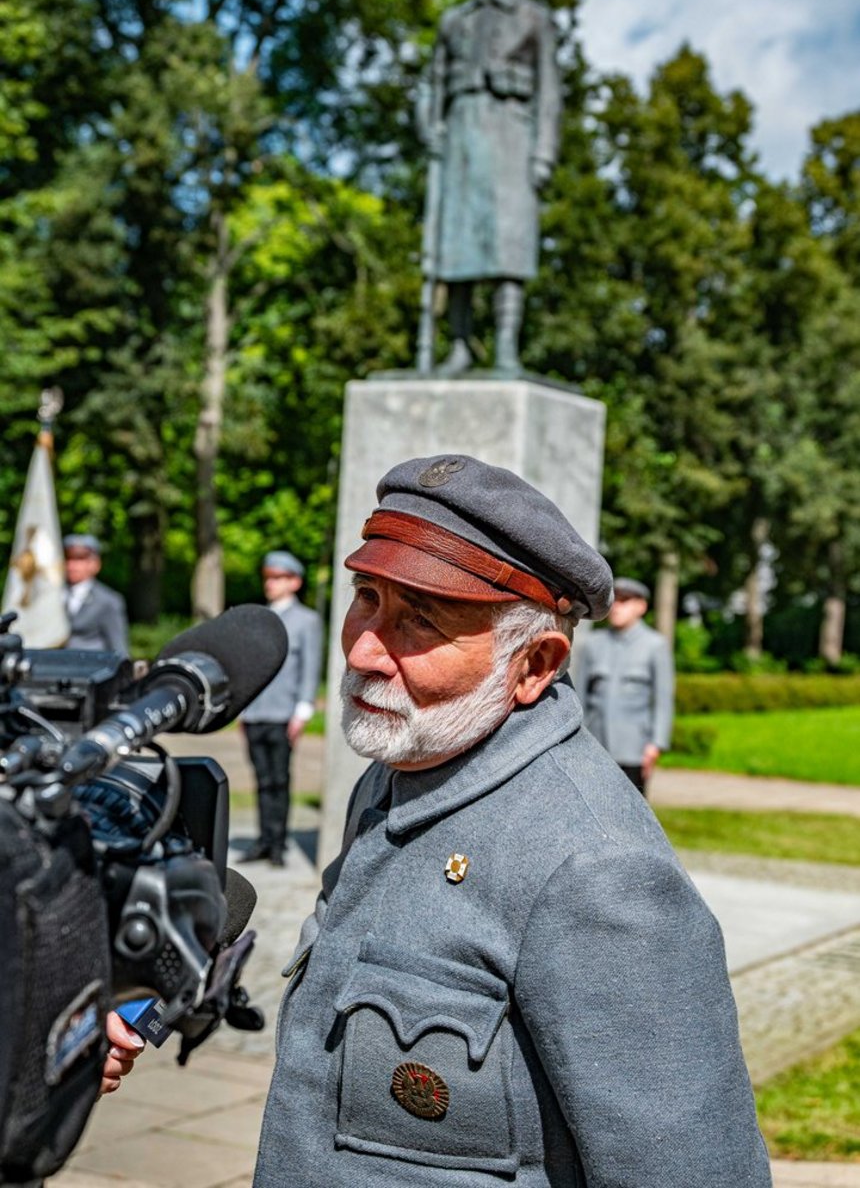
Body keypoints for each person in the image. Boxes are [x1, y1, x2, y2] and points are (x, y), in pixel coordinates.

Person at [250, 454, 770, 1186]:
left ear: (533, 666)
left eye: (420, 620)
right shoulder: (401, 768)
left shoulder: (597, 867)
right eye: (367, 596)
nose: (366, 647)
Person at [421, 0, 561, 375]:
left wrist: (543, 153)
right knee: (456, 247)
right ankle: (459, 347)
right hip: (462, 131)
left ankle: (506, 347)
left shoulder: (531, 17)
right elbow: (432, 82)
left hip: (510, 134)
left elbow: (550, 93)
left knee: (509, 245)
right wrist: (428, 126)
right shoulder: (455, 20)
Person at [239, 551, 323, 867]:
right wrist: (244, 709)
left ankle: (277, 843)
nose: (270, 584)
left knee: (279, 780)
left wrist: (302, 710)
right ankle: (262, 840)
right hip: (257, 712)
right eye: (268, 578)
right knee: (261, 780)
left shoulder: (306, 620)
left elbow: (309, 666)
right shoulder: (260, 618)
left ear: (295, 582)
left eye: (278, 578)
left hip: (283, 713)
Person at [579, 576, 674, 796]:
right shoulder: (593, 645)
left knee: (632, 813)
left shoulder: (655, 646)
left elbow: (663, 699)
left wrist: (656, 744)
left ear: (641, 606)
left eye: (625, 601)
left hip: (634, 747)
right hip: (595, 743)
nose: (617, 607)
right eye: (615, 601)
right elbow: (580, 696)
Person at [63, 534, 129, 656]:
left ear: (95, 564)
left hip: (90, 669)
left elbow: (118, 648)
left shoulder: (108, 601)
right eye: (68, 558)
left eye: (80, 559)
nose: (72, 566)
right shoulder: (53, 596)